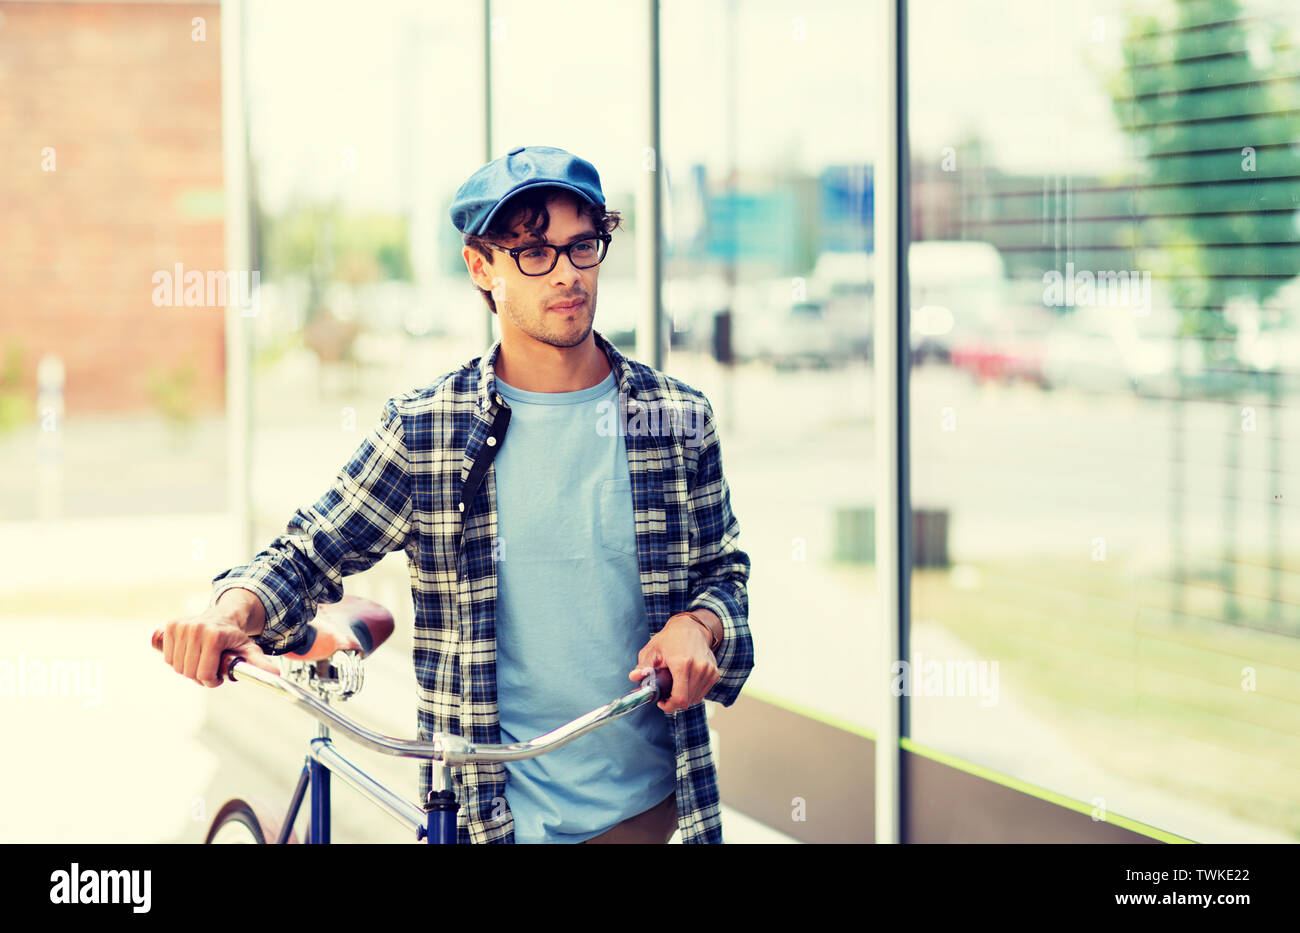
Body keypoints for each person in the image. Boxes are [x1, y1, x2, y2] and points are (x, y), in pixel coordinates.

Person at [157, 145, 753, 844]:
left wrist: (702, 623)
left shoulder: (675, 418)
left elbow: (724, 576)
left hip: (650, 817)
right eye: (533, 251)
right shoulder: (427, 431)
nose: (566, 272)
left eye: (581, 246)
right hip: (484, 821)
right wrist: (228, 612)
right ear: (481, 267)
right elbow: (305, 553)